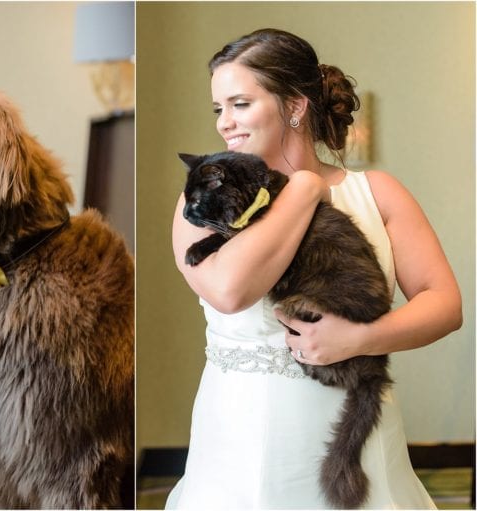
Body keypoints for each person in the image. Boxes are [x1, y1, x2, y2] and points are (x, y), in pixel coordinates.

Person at [168, 28, 462, 508]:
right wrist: (303, 190)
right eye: (219, 108)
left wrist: (360, 339)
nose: (225, 123)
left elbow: (445, 303)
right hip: (243, 446)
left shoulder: (378, 193)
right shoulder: (202, 202)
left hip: (355, 430)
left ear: (295, 107)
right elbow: (228, 290)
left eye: (240, 104)